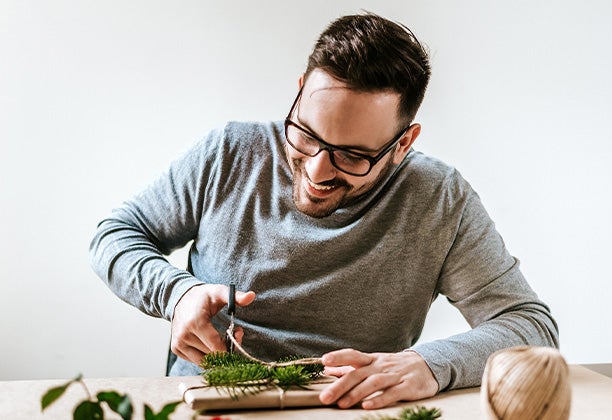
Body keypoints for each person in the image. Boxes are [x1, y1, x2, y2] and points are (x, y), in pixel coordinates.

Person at [89, 12, 559, 410]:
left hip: (352, 411)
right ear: (298, 93)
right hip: (208, 401)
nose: (316, 170)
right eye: (306, 134)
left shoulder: (438, 199)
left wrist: (429, 366)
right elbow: (115, 234)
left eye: (353, 155)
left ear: (402, 144)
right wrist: (176, 295)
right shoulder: (228, 153)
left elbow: (530, 326)